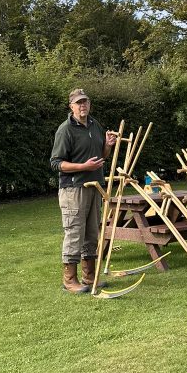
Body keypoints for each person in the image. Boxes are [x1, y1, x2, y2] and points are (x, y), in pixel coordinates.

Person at [50, 88, 117, 294]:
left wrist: (107, 145)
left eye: (85, 102)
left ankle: (89, 277)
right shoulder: (65, 130)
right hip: (73, 189)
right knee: (74, 233)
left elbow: (101, 156)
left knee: (91, 233)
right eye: (78, 103)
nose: (82, 106)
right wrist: (82, 167)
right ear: (71, 106)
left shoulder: (95, 125)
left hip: (94, 186)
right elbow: (56, 163)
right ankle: (69, 280)